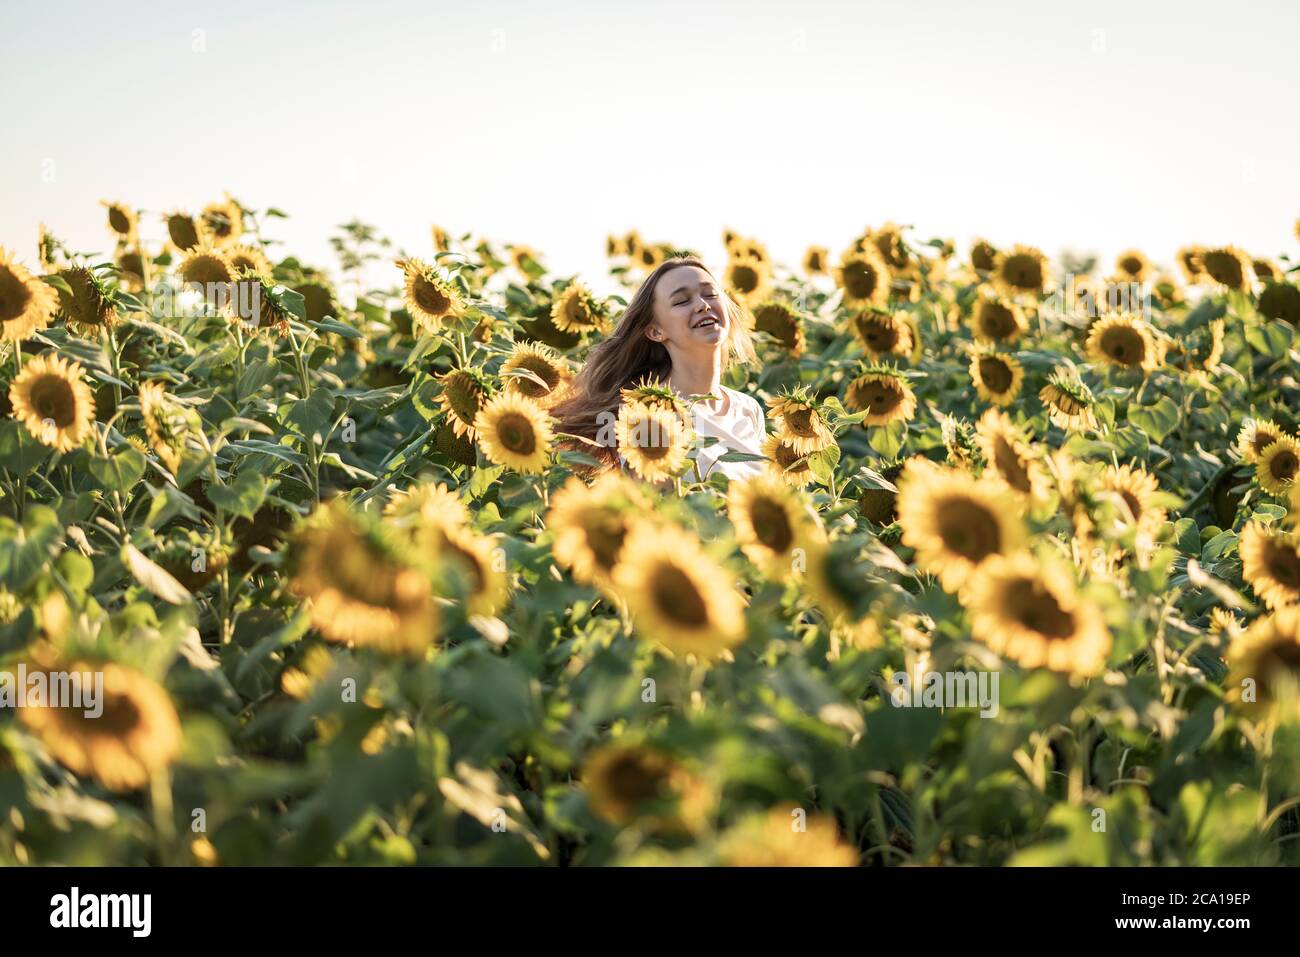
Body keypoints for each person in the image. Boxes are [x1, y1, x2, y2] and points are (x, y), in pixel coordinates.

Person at [553, 256, 766, 481]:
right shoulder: (648, 412)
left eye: (711, 294)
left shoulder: (748, 409)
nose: (702, 304)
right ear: (655, 331)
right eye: (682, 301)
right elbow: (651, 504)